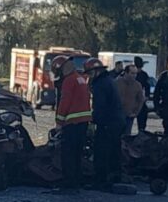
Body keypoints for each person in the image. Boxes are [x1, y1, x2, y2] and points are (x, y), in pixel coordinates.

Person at [83, 58, 126, 191]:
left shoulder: (100, 84)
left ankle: (100, 180)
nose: (89, 77)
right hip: (117, 121)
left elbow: (99, 106)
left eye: (90, 74)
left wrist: (93, 120)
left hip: (107, 123)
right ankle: (115, 177)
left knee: (101, 151)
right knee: (114, 150)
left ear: (96, 71)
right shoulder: (109, 81)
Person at [53, 56, 92, 191]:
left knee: (68, 153)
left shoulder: (69, 81)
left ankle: (69, 183)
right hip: (83, 122)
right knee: (77, 153)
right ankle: (76, 180)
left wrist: (59, 122)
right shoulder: (80, 78)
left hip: (72, 122)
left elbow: (65, 101)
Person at [115, 64, 145, 135]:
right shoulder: (117, 83)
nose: (134, 75)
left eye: (135, 74)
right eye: (132, 73)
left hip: (129, 116)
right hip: (117, 115)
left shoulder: (138, 85)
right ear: (126, 73)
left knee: (127, 136)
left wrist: (135, 112)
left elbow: (140, 100)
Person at [134, 56, 151, 132]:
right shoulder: (132, 74)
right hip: (132, 97)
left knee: (143, 115)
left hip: (139, 98)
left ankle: (141, 131)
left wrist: (146, 96)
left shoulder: (143, 75)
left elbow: (147, 86)